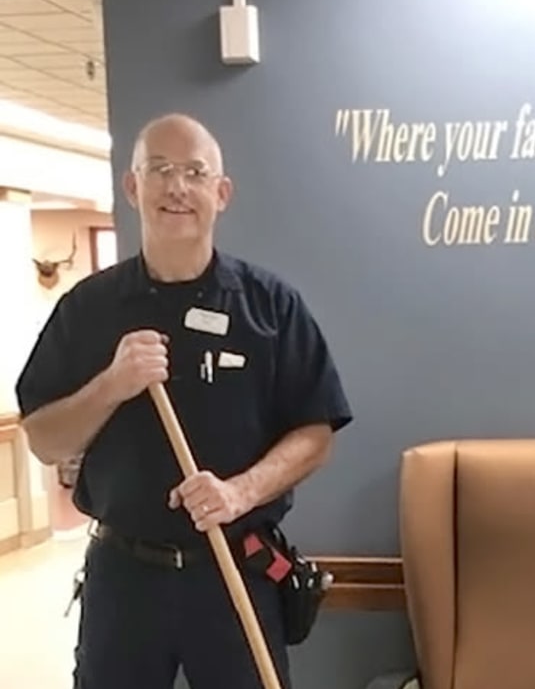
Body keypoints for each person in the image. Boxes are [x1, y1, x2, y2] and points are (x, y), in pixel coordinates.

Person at [15, 112, 353, 689]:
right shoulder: (88, 308)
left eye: (195, 172)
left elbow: (315, 433)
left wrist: (237, 491)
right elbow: (45, 441)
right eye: (160, 169)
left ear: (220, 193)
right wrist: (112, 385)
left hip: (235, 571)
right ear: (132, 186)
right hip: (124, 577)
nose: (177, 187)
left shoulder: (269, 306)